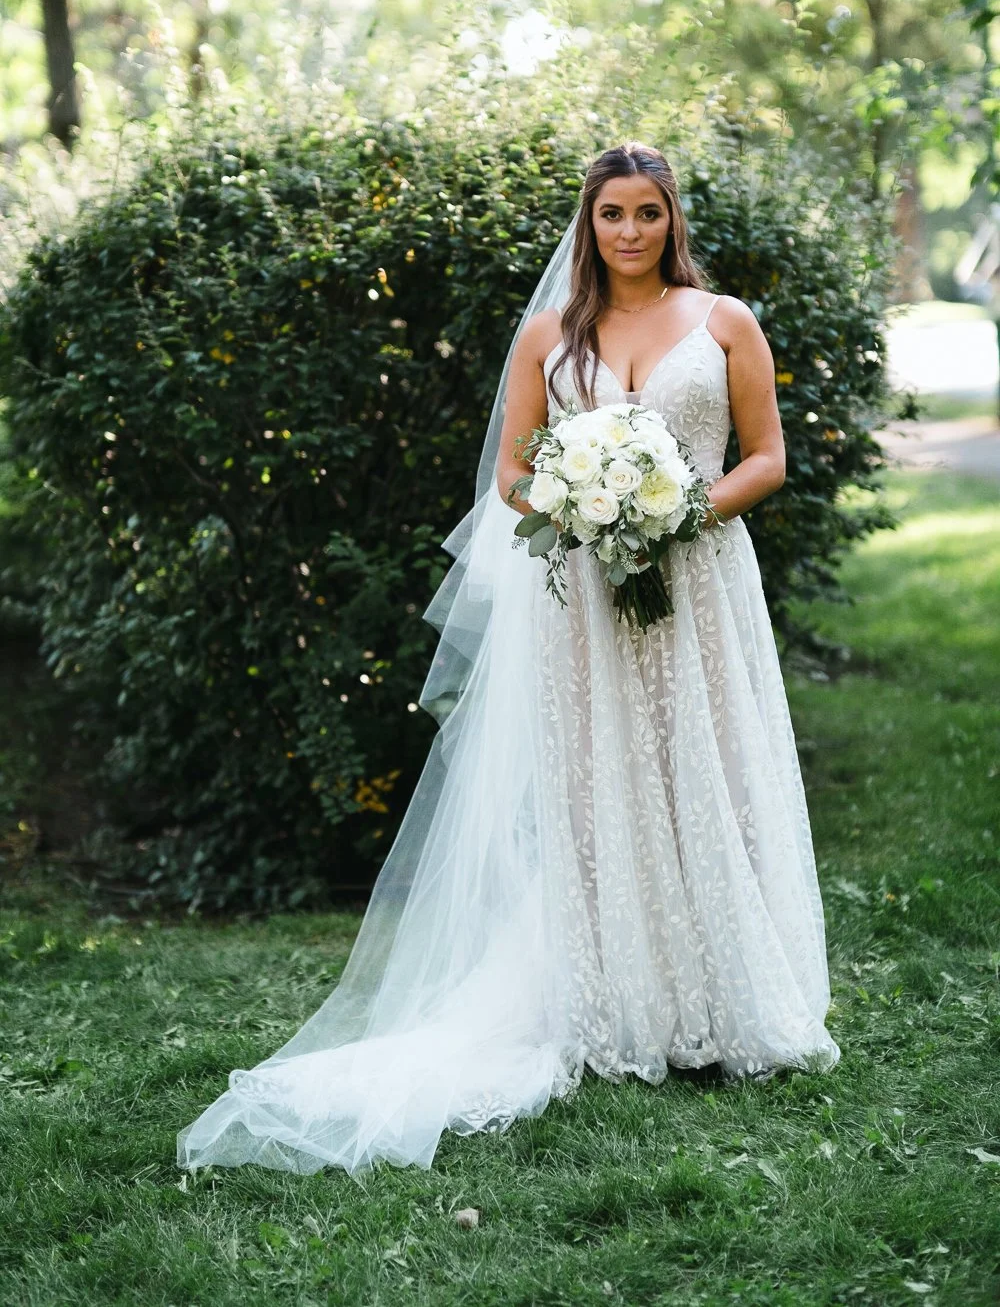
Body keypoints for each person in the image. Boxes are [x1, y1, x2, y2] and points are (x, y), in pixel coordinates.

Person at [176, 141, 840, 1178]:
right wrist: (584, 503)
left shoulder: (723, 324)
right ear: (589, 224)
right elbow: (511, 475)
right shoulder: (547, 335)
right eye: (612, 215)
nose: (630, 232)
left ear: (672, 221)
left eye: (648, 214)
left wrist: (680, 512)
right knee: (600, 786)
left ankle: (730, 997)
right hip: (578, 591)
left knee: (707, 770)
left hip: (703, 583)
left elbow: (767, 457)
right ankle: (620, 1001)